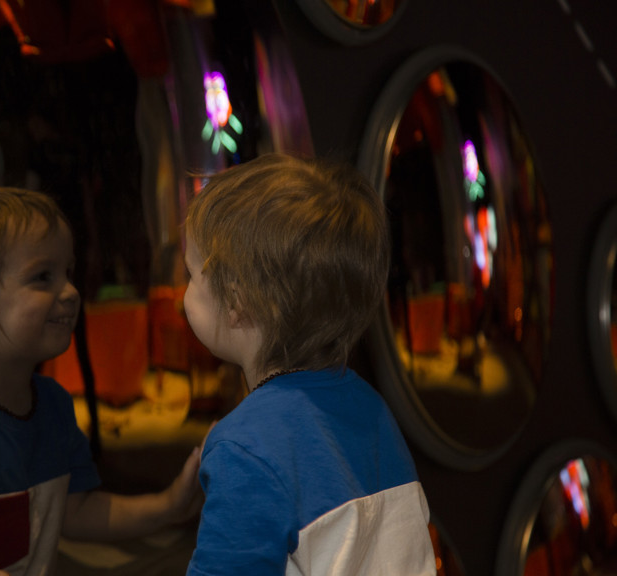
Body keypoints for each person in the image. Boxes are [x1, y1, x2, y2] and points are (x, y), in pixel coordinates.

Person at [0, 186, 202, 576]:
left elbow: (76, 510)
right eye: (43, 277)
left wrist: (169, 506)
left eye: (67, 273)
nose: (71, 292)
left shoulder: (53, 406)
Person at [182, 153, 435, 575]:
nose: (184, 289)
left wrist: (237, 450)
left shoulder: (244, 449)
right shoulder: (371, 410)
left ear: (236, 300)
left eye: (190, 273)